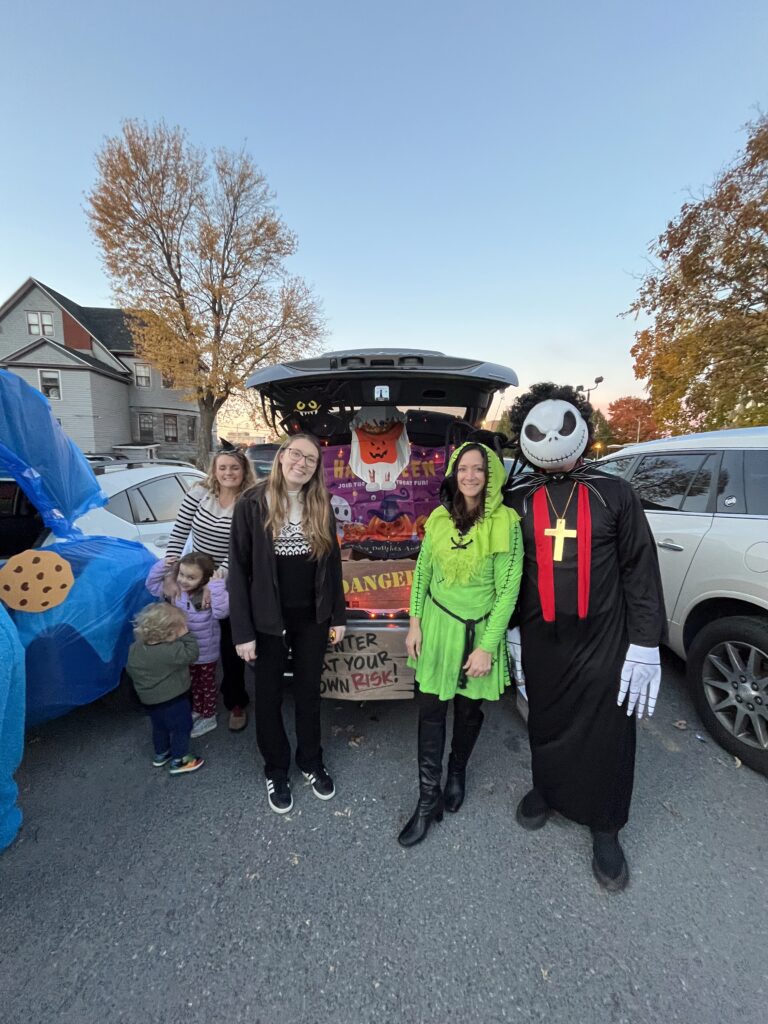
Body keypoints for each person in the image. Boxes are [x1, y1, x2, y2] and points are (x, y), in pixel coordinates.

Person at [504, 383, 666, 891]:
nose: (552, 438)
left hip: (605, 637)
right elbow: (508, 570)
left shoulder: (615, 493)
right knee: (546, 720)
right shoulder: (517, 499)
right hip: (541, 636)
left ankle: (605, 824)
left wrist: (646, 642)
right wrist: (508, 633)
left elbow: (640, 568)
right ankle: (548, 790)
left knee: (608, 731)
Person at [399, 442, 523, 847]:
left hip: (478, 633)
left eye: (479, 469)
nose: (470, 476)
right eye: (463, 469)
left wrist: (487, 646)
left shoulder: (505, 521)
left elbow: (507, 591)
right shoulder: (437, 517)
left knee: (469, 713)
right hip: (436, 627)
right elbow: (422, 573)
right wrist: (415, 622)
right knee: (431, 713)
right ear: (454, 473)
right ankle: (426, 799)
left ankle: (457, 770)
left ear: (491, 476)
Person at [227, 433, 347, 815]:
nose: (303, 462)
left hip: (312, 615)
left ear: (316, 468)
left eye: (311, 459)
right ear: (282, 457)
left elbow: (333, 565)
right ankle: (276, 768)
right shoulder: (252, 503)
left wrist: (338, 615)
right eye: (296, 454)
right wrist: (242, 631)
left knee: (310, 691)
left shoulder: (320, 503)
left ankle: (311, 761)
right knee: (269, 695)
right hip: (267, 618)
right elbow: (239, 570)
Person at [165, 448, 256, 731]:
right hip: (195, 573)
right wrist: (170, 574)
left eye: (234, 468)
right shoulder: (198, 494)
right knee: (192, 638)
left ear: (243, 471)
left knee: (231, 643)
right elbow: (179, 532)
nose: (228, 473)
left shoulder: (250, 500)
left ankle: (236, 701)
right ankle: (192, 699)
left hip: (234, 576)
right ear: (214, 470)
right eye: (223, 468)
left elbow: (243, 545)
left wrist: (216, 583)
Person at [145, 551, 229, 738]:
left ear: (204, 579)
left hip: (206, 652)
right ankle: (199, 709)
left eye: (191, 577)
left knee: (207, 685)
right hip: (184, 650)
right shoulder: (176, 592)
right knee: (193, 683)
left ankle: (210, 715)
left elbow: (222, 612)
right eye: (181, 574)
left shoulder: (208, 596)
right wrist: (163, 566)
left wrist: (216, 586)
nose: (183, 580)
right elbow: (151, 585)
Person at [127, 603, 205, 775]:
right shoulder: (170, 650)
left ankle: (161, 753)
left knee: (159, 727)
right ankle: (180, 759)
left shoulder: (135, 648)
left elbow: (131, 670)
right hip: (173, 700)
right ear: (168, 633)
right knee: (181, 727)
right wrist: (187, 635)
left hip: (150, 701)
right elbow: (192, 654)